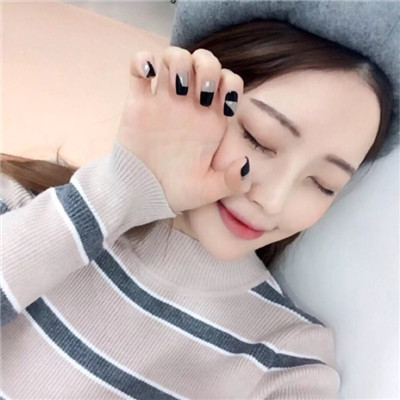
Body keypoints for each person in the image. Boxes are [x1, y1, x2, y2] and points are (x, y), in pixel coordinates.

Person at [0, 16, 396, 400]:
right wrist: (118, 189)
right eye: (258, 138)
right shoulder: (30, 205)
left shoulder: (287, 359)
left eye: (323, 184)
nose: (272, 200)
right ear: (191, 92)